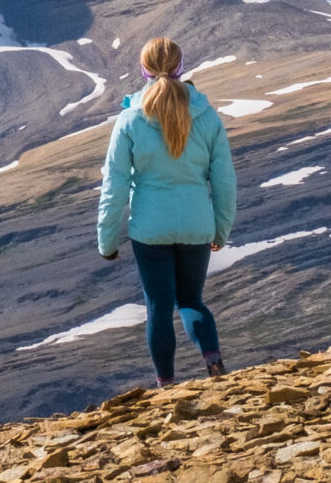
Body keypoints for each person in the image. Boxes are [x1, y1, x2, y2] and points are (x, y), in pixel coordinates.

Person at [96, 36, 237, 386]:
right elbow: (224, 183)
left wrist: (107, 242)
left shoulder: (130, 120)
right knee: (191, 300)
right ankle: (214, 362)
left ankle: (166, 385)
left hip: (149, 230)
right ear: (181, 66)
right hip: (196, 227)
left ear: (144, 70)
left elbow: (113, 186)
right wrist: (221, 231)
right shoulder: (207, 118)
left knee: (158, 306)